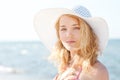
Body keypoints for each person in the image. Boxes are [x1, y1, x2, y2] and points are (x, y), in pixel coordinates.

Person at [34, 7, 109, 80]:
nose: (68, 34)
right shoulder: (64, 67)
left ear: (87, 33)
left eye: (76, 28)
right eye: (63, 29)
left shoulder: (97, 72)